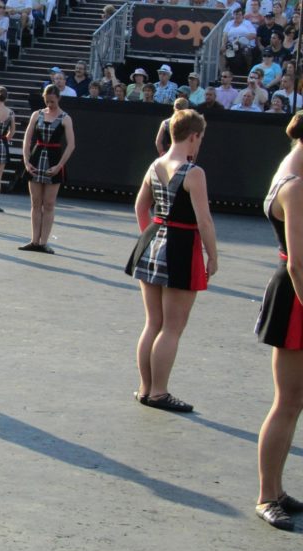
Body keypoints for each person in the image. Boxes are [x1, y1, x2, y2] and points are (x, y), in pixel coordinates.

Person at [125, 109, 218, 413]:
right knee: (173, 327)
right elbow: (204, 221)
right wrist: (212, 255)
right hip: (180, 247)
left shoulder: (156, 164)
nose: (200, 144)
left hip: (152, 241)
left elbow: (141, 207)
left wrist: (150, 237)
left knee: (153, 322)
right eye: (200, 139)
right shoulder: (194, 172)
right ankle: (160, 392)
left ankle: (145, 388)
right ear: (193, 136)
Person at [254, 111, 303, 531]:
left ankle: (276, 490)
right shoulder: (297, 184)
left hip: (294, 291)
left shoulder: (290, 168)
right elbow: (300, 263)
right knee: (287, 402)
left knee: (292, 402)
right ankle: (268, 495)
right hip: (297, 295)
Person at [20, 84, 76, 254]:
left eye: (52, 101)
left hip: (53, 158)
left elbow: (71, 145)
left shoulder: (65, 118)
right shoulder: (37, 115)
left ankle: (44, 242)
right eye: (47, 101)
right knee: (35, 202)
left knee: (49, 203)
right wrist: (26, 161)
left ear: (58, 98)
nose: (50, 104)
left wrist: (59, 166)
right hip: (37, 158)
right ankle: (34, 240)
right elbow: (27, 139)